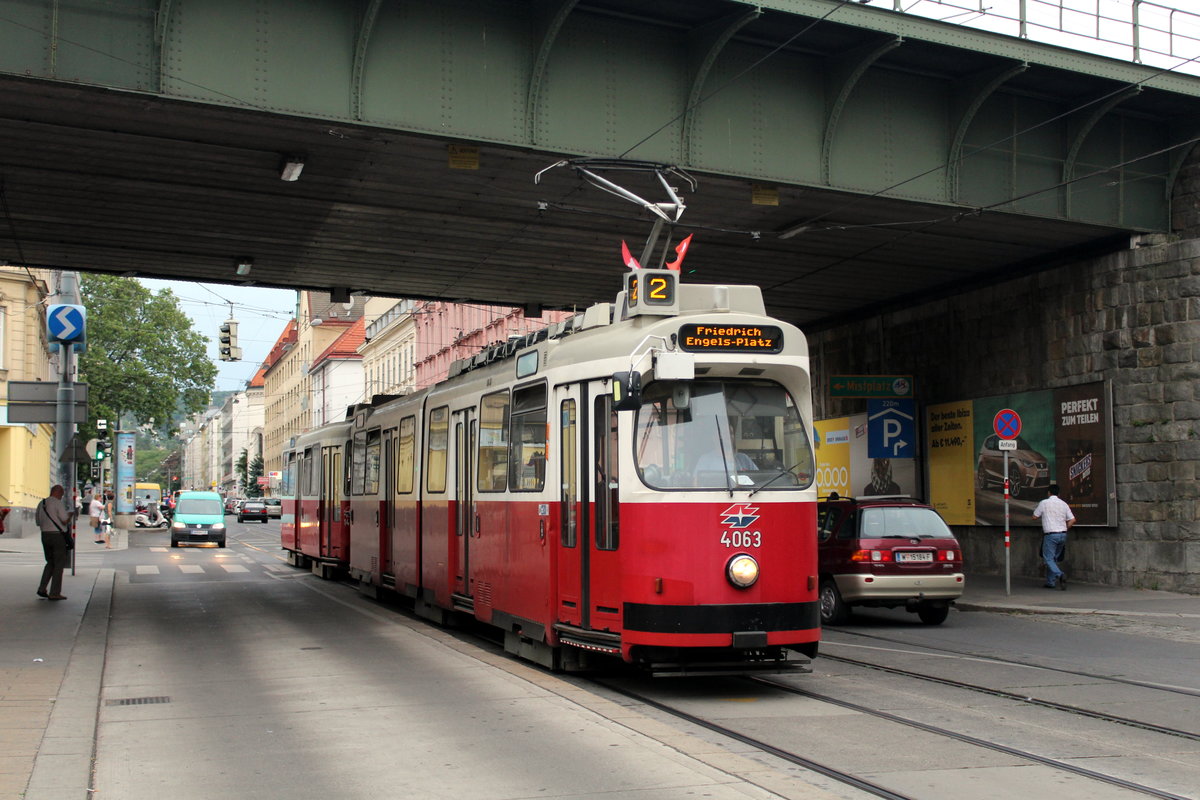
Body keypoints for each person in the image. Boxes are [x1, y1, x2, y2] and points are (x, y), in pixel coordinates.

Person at [35, 484, 74, 601]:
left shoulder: (41, 503)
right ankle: (54, 593)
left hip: (44, 535)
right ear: (58, 492)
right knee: (58, 565)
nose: (61, 497)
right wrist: (70, 515)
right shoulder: (57, 503)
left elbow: (37, 522)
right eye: (61, 494)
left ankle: (42, 588)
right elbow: (64, 520)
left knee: (50, 562)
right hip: (57, 536)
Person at [1033, 483, 1075, 590]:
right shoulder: (1064, 504)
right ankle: (1050, 582)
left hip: (1051, 535)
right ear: (1059, 493)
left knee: (1048, 559)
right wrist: (1065, 528)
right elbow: (1072, 520)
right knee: (1054, 559)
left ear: (1048, 493)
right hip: (1063, 534)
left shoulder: (1044, 503)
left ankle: (1060, 574)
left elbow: (1034, 516)